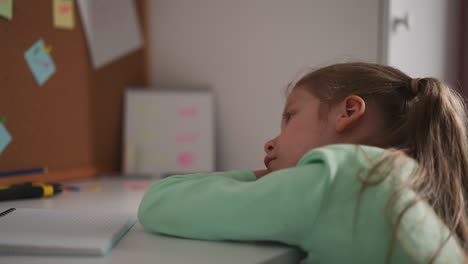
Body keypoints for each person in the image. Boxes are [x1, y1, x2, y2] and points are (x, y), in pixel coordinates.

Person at [138, 62, 468, 263]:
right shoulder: (405, 175)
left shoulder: (341, 178)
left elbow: (159, 202)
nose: (270, 142)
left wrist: (260, 177)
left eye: (289, 117)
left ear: (348, 112)